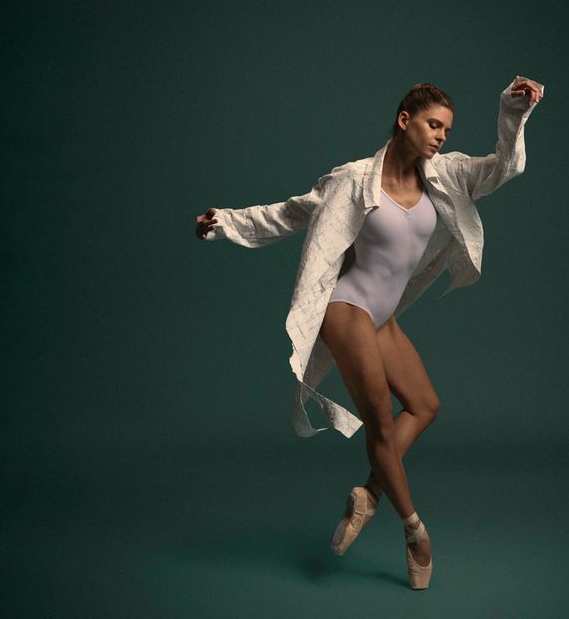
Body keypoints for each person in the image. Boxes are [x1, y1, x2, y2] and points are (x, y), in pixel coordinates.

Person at [195, 76, 544, 589]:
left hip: (383, 316)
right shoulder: (352, 181)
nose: (440, 137)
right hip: (347, 308)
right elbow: (290, 213)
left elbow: (504, 167)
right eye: (432, 124)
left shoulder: (445, 176)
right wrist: (225, 221)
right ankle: (414, 531)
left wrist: (511, 114)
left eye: (446, 129)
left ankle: (368, 496)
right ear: (405, 121)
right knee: (380, 422)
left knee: (425, 406)